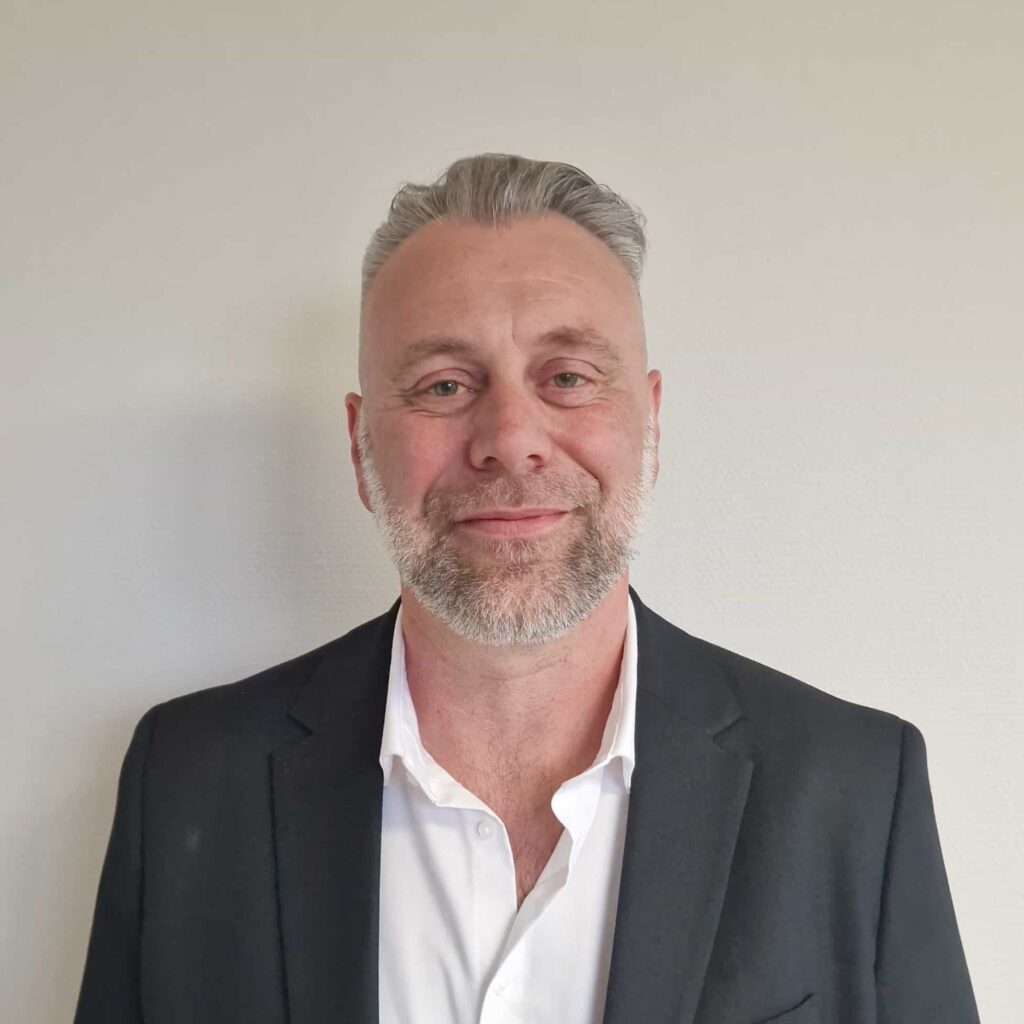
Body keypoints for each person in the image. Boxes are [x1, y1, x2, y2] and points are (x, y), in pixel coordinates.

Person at [74, 154, 979, 1024]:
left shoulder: (854, 788)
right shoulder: (189, 779)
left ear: (651, 422)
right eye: (443, 385)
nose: (511, 437)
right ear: (359, 445)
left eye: (568, 378)